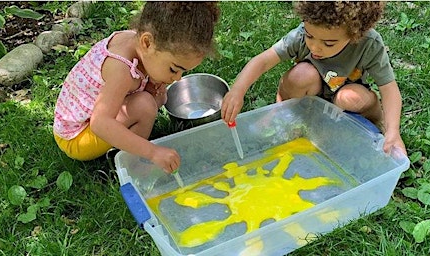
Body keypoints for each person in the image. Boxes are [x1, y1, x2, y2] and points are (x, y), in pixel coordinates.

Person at [53, 2, 220, 173]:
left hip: (91, 119)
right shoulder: (120, 70)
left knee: (153, 100)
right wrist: (152, 152)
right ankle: (134, 165)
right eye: (173, 69)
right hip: (76, 137)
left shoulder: (140, 44)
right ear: (147, 42)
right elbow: (100, 124)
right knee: (145, 105)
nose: (177, 78)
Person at [221, 1, 406, 155]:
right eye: (310, 36)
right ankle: (285, 114)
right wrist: (238, 89)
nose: (315, 47)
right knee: (301, 75)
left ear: (355, 34)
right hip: (314, 95)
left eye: (329, 43)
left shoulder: (369, 44)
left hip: (349, 97)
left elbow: (388, 88)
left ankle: (375, 124)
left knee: (348, 97)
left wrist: (393, 131)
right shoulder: (301, 36)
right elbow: (263, 61)